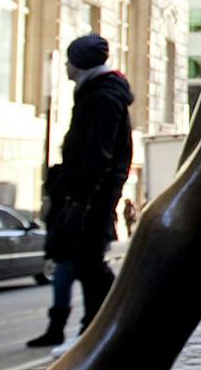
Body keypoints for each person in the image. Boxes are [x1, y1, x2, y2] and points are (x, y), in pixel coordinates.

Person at [30, 33, 135, 349]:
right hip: (82, 195)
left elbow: (96, 155)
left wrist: (79, 202)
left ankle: (101, 328)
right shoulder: (95, 92)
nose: (65, 66)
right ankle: (91, 330)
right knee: (77, 261)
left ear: (81, 63)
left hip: (90, 198)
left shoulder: (102, 96)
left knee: (89, 263)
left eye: (69, 60)